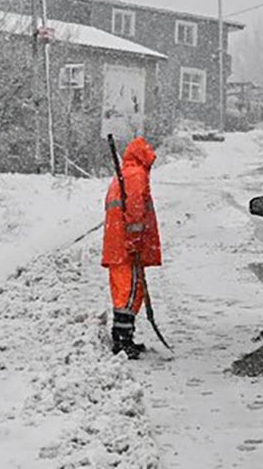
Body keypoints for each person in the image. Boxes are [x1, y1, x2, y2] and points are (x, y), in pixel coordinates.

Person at [102, 136, 161, 358]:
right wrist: (135, 240)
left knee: (122, 292)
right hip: (128, 247)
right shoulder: (136, 175)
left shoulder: (123, 176)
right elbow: (135, 210)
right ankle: (123, 341)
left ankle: (122, 336)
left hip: (117, 245)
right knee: (130, 292)